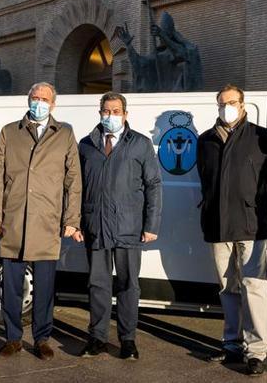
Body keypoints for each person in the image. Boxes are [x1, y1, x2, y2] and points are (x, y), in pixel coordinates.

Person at [0, 82, 82, 360]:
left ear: (53, 104)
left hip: (47, 221)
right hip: (13, 219)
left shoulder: (64, 134)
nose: (39, 102)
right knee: (12, 286)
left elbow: (74, 181)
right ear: (28, 100)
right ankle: (12, 338)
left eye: (44, 99)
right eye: (35, 97)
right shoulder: (9, 132)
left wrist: (71, 218)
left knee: (44, 287)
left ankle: (42, 338)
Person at [196, 84, 267, 376]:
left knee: (254, 287)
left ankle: (256, 351)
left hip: (251, 224)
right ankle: (232, 343)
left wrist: (256, 202)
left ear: (243, 104)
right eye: (222, 103)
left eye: (232, 102)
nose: (227, 107)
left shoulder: (262, 137)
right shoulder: (205, 140)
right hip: (217, 225)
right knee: (227, 287)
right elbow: (205, 179)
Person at [76, 92, 162, 360]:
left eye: (115, 111)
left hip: (129, 227)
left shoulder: (140, 144)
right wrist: (75, 222)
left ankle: (127, 339)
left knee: (128, 285)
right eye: (106, 110)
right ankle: (97, 337)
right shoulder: (86, 145)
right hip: (96, 226)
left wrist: (151, 224)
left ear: (125, 114)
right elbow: (76, 187)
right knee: (98, 284)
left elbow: (154, 186)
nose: (110, 115)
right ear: (99, 112)